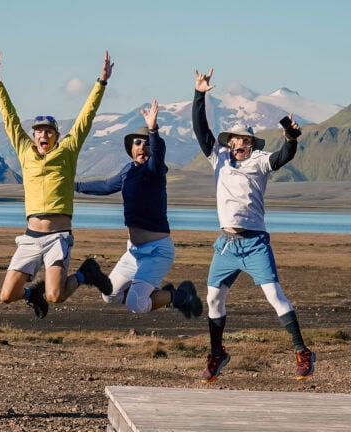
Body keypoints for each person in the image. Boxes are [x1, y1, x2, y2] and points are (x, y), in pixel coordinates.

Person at [192, 68, 314, 383]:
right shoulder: (217, 157)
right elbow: (201, 129)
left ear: (250, 143)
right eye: (236, 139)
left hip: (255, 243)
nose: (240, 144)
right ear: (229, 142)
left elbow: (284, 156)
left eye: (245, 140)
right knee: (213, 299)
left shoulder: (259, 161)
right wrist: (199, 94)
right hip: (226, 245)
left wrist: (290, 138)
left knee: (275, 296)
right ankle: (217, 352)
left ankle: (301, 350)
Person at [0, 49, 114, 319]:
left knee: (55, 296)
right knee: (6, 295)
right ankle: (30, 294)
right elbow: (9, 118)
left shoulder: (67, 151)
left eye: (48, 131)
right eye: (39, 131)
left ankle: (86, 273)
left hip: (58, 236)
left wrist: (100, 82)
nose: (43, 134)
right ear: (33, 135)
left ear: (56, 135)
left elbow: (85, 118)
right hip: (31, 237)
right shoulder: (24, 151)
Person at [75, 100, 203, 318]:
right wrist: (73, 186)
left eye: (147, 143)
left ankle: (178, 296)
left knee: (136, 304)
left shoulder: (155, 170)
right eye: (137, 142)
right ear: (131, 149)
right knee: (110, 295)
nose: (142, 146)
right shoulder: (127, 171)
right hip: (134, 252)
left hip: (157, 252)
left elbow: (158, 155)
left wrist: (153, 129)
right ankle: (157, 292)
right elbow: (106, 186)